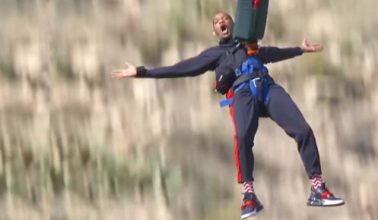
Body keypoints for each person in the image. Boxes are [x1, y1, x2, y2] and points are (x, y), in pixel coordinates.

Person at [112, 11, 344, 219]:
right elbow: (180, 68)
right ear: (214, 32)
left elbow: (274, 53)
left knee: (303, 130)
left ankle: (317, 188)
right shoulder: (214, 54)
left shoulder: (250, 46)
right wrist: (141, 72)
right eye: (216, 21)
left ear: (234, 25)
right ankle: (249, 196)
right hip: (242, 94)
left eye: (225, 18)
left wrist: (299, 50)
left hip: (267, 87)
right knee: (242, 137)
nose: (221, 20)